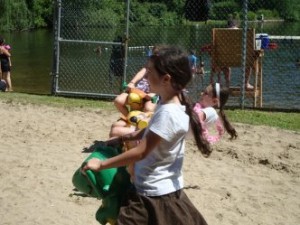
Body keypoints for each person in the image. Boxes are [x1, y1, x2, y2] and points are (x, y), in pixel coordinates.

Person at [82, 46, 210, 225]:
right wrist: (124, 138)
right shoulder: (171, 107)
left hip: (150, 193)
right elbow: (151, 130)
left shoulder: (168, 113)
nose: (145, 75)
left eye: (149, 71)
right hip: (167, 189)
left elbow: (141, 152)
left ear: (166, 79)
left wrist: (101, 165)